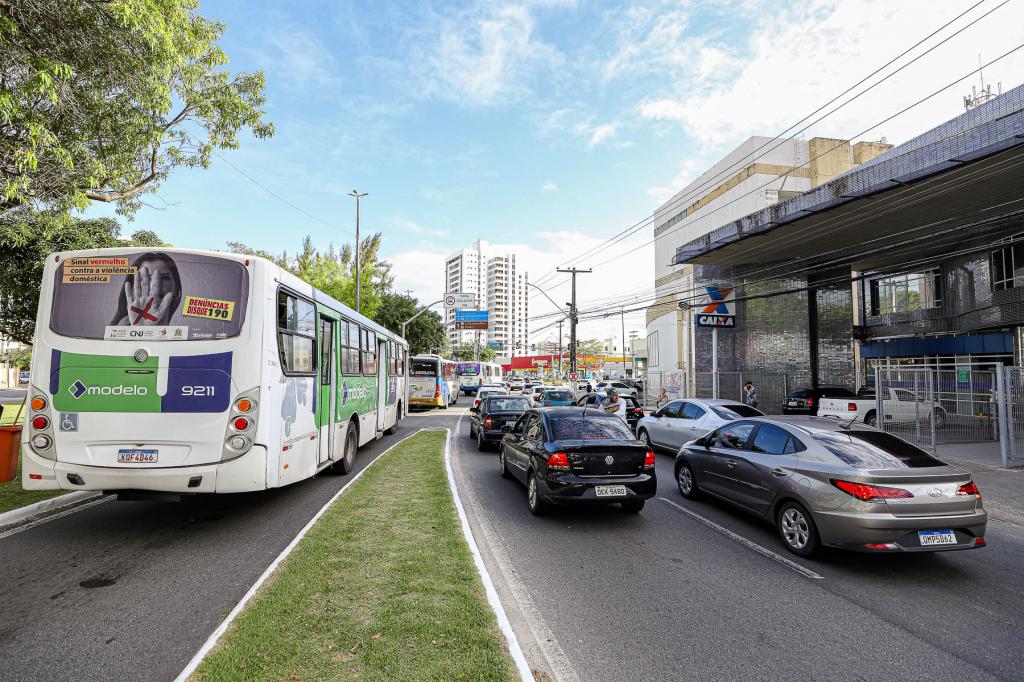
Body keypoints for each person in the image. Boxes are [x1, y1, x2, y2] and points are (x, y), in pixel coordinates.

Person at [111, 252, 182, 326]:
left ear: (176, 286)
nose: (154, 285)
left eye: (164, 277)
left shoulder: (188, 328)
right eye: (144, 278)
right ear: (133, 288)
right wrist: (142, 330)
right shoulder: (122, 327)